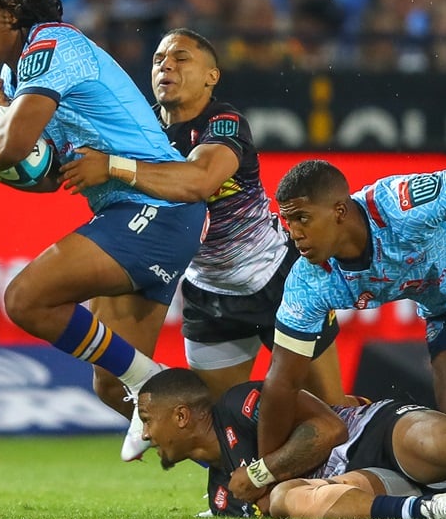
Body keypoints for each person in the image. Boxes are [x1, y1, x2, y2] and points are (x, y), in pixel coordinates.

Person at [0, 0, 207, 456]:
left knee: (25, 299)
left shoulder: (50, 46)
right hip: (128, 214)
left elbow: (14, 144)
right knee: (113, 387)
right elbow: (46, 178)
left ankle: (150, 377)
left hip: (154, 204)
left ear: (13, 11)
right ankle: (242, 470)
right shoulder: (17, 72)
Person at [54, 28, 350, 463]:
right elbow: (68, 145)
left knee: (333, 414)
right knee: (219, 427)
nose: (165, 66)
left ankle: (366, 479)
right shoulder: (140, 130)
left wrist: (114, 166)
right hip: (208, 296)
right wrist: (4, 110)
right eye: (157, 60)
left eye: (181, 58)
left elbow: (199, 181)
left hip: (280, 282)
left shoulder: (224, 123)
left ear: (212, 76)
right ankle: (253, 493)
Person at [256, 160, 446, 478]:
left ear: (339, 211)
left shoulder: (397, 205)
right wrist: (266, 471)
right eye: (288, 221)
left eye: (302, 218)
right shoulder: (308, 281)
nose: (294, 233)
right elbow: (281, 382)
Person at [138, 368, 446, 519]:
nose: (143, 435)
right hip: (360, 483)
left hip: (374, 433)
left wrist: (261, 472)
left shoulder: (239, 404)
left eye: (146, 420)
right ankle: (427, 510)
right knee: (285, 500)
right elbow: (269, 508)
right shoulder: (221, 496)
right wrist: (267, 491)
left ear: (181, 416)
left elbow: (331, 429)